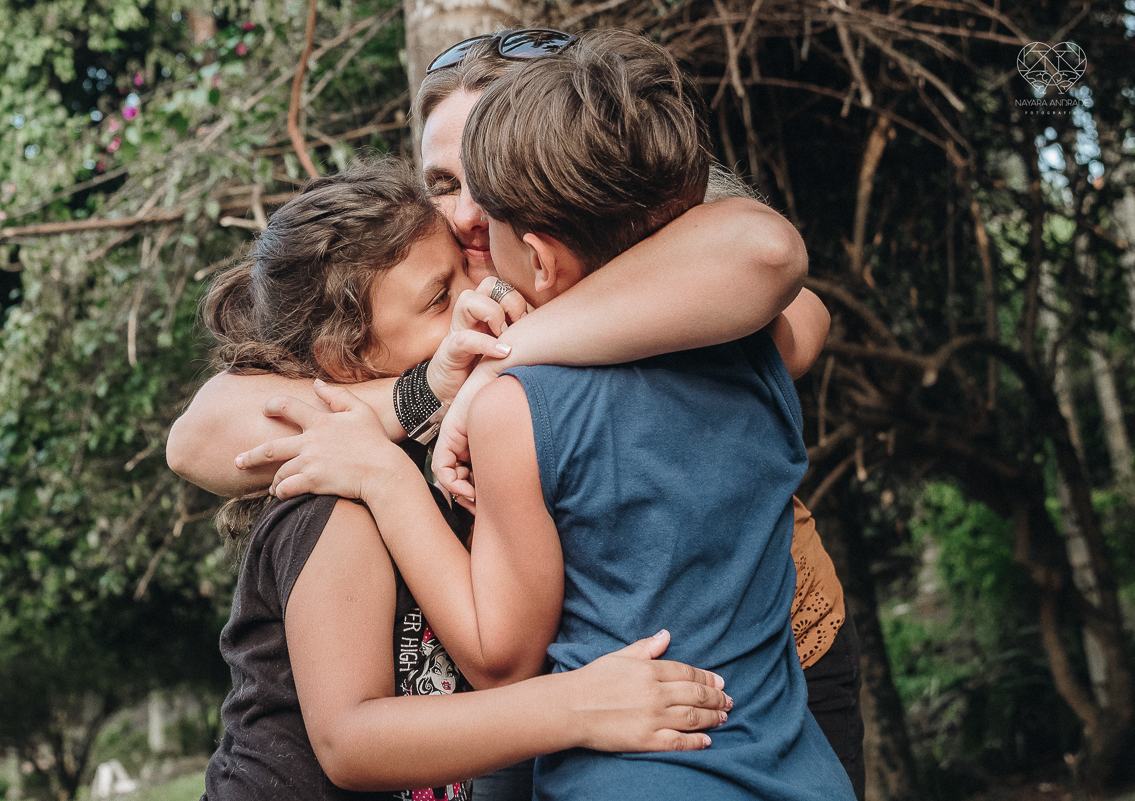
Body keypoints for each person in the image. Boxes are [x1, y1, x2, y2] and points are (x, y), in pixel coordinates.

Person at [171, 28, 861, 799]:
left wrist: (505, 361)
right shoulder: (405, 284)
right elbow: (201, 438)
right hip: (567, 702)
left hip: (762, 663)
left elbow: (786, 302)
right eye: (440, 180)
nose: (467, 210)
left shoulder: (640, 270)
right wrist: (428, 391)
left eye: (485, 173)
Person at [197, 160, 734, 801]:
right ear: (346, 358)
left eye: (463, 272)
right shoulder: (336, 496)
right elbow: (350, 742)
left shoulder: (448, 451)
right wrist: (579, 705)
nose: (473, 300)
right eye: (436, 299)